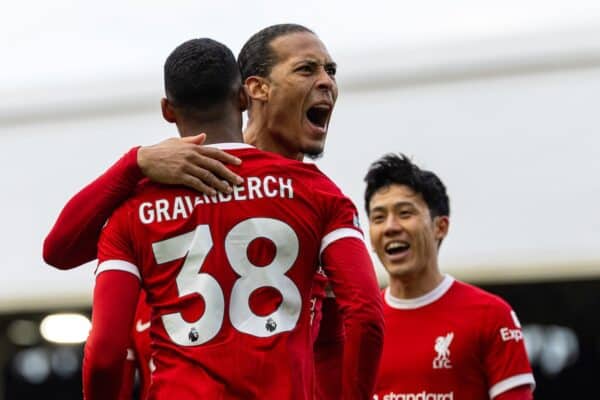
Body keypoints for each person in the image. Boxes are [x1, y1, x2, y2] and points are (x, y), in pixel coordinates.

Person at [44, 24, 373, 399]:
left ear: (168, 110)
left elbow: (334, 342)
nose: (326, 82)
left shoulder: (138, 208)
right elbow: (365, 317)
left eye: (331, 71)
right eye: (306, 69)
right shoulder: (317, 196)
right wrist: (133, 163)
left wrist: (131, 165)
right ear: (249, 93)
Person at [364, 153, 535, 400]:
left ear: (440, 227)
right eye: (378, 217)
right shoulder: (361, 325)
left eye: (404, 213)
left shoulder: (490, 315)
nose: (390, 227)